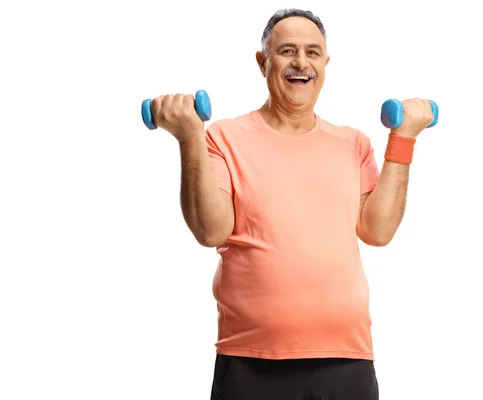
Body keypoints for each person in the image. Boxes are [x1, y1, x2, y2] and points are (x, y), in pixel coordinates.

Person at [149, 8, 434, 400]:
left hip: (346, 358)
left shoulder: (353, 144)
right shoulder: (224, 138)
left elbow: (378, 231)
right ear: (263, 62)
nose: (301, 62)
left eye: (313, 52)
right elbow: (210, 230)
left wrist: (403, 138)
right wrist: (189, 138)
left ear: (326, 64)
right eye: (287, 51)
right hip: (251, 360)